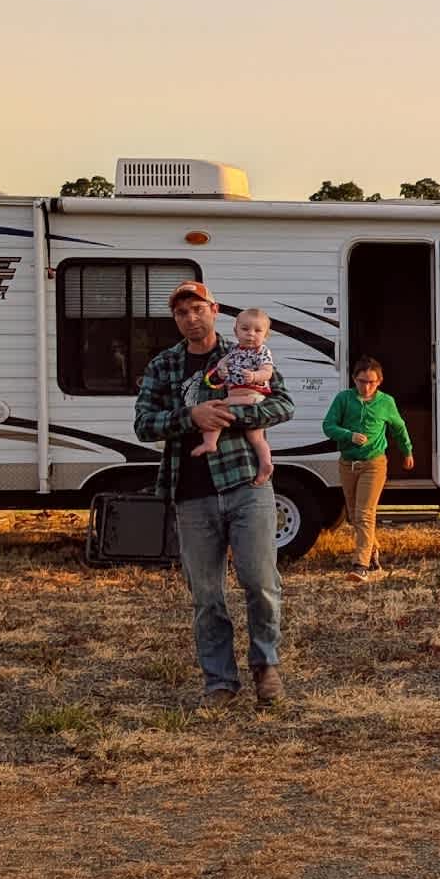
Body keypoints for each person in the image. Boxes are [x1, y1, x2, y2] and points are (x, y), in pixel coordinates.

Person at [134, 281, 296, 704]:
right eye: (182, 312)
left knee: (261, 583)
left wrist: (236, 414)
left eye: (198, 309)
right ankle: (220, 682)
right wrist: (192, 415)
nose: (191, 317)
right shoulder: (163, 365)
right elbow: (143, 424)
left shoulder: (244, 348)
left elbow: (284, 404)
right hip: (191, 492)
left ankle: (266, 668)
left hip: (247, 484)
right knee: (207, 595)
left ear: (214, 310)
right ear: (176, 319)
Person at [320, 355, 414, 575]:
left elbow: (399, 428)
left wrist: (407, 451)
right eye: (362, 381)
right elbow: (328, 426)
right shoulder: (343, 399)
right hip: (348, 463)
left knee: (364, 513)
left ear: (379, 381)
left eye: (371, 382)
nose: (367, 386)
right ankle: (373, 553)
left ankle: (360, 564)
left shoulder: (386, 402)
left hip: (374, 463)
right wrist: (348, 435)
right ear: (354, 379)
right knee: (353, 516)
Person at [187, 306, 278, 484]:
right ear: (236, 332)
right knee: (255, 436)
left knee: (217, 410)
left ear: (266, 335)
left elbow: (268, 371)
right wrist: (221, 370)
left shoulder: (262, 352)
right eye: (245, 329)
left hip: (253, 395)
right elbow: (222, 363)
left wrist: (255, 376)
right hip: (236, 395)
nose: (251, 334)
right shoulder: (235, 351)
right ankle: (266, 463)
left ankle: (210, 442)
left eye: (257, 330)